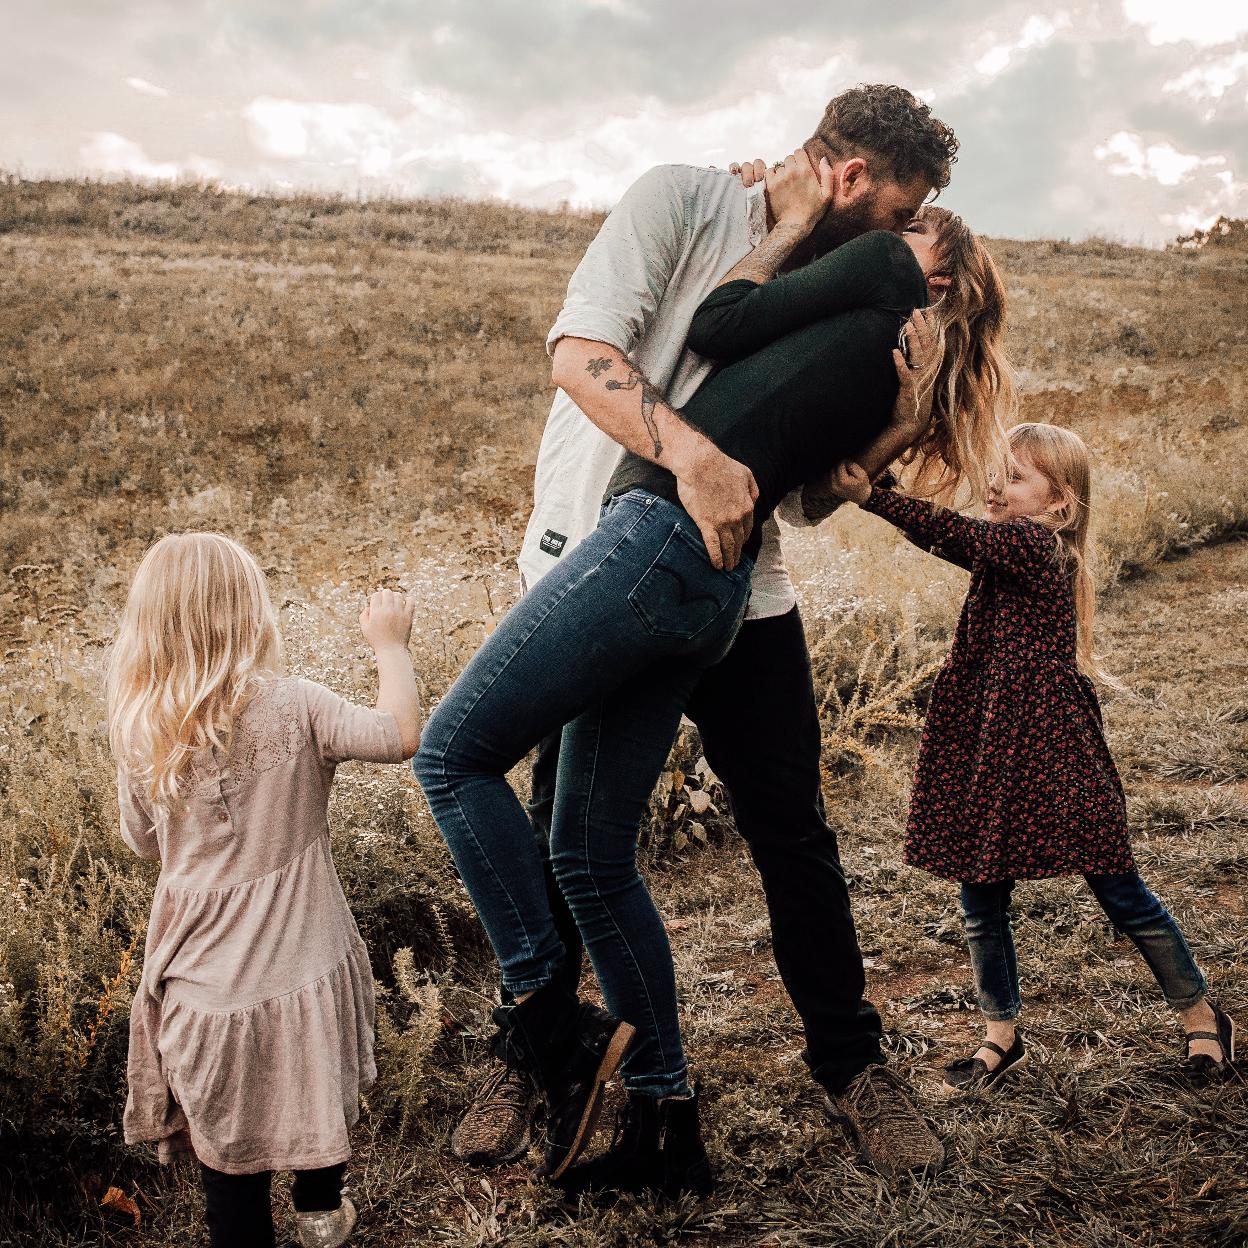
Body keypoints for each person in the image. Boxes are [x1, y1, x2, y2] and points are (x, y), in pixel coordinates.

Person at [417, 100, 1016, 1192]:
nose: (908, 236)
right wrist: (691, 457)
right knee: (571, 823)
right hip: (599, 552)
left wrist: (903, 410)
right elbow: (580, 353)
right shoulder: (683, 201)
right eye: (902, 209)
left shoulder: (846, 283)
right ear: (849, 176)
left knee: (792, 830)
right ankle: (539, 1052)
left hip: (743, 591)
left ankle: (852, 1068)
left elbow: (805, 503)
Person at [824, 424, 1239, 1093]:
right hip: (998, 748)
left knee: (1119, 889)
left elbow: (960, 537)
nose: (995, 484)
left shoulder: (1031, 544)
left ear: (1058, 506)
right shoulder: (1009, 546)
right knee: (981, 893)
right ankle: (1001, 1036)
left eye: (1015, 477)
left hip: (1053, 753)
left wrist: (872, 496)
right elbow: (950, 535)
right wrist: (885, 486)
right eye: (996, 470)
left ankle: (1201, 1014)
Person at [109, 533, 422, 1248]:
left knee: (230, 1156)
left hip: (202, 992)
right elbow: (400, 734)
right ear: (250, 614)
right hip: (303, 963)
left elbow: (142, 842)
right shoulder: (297, 705)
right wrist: (390, 644)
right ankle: (319, 1215)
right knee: (311, 1088)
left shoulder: (141, 732)